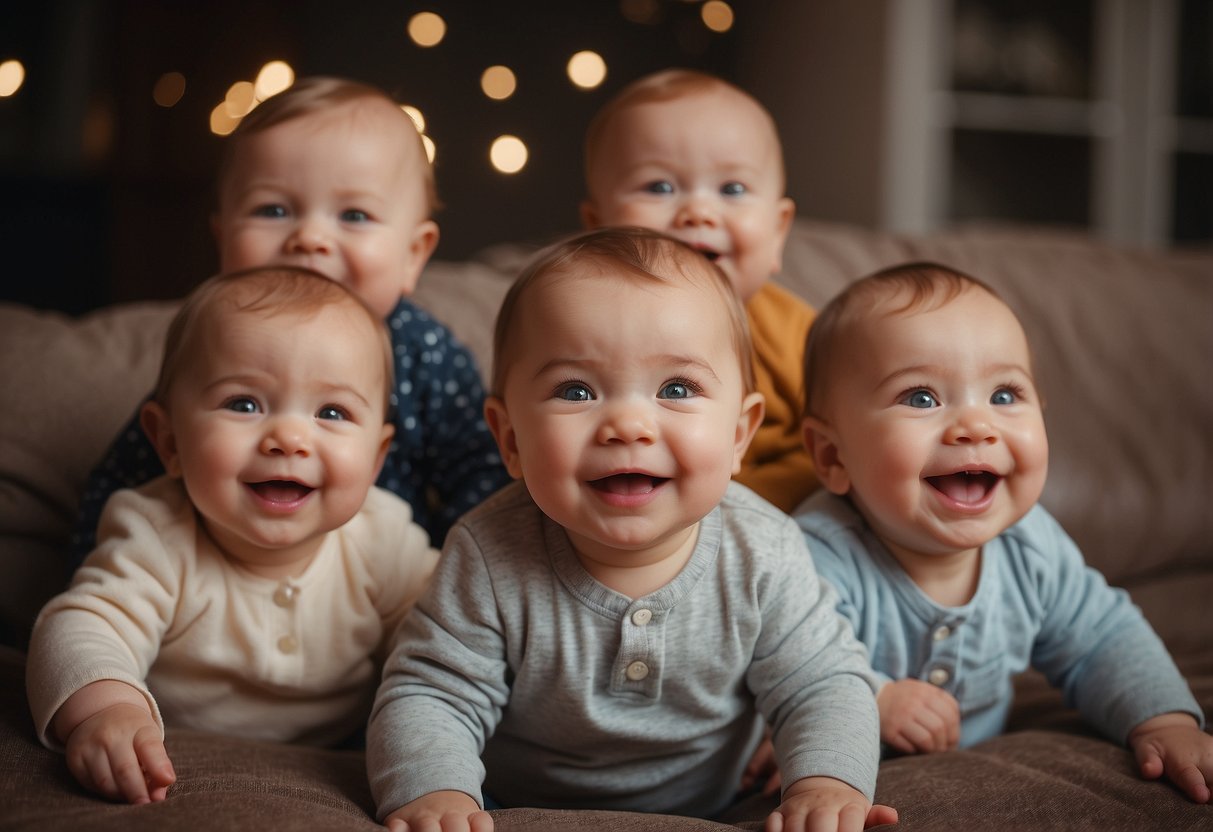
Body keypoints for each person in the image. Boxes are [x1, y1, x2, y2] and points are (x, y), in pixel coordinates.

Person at [367, 228, 896, 832]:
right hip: (520, 805)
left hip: (719, 802)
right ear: (510, 438)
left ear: (739, 435)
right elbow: (431, 693)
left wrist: (825, 783)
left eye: (676, 389)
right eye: (576, 390)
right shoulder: (487, 552)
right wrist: (435, 791)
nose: (627, 425)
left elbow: (823, 683)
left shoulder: (765, 550)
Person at [794, 261, 1212, 803]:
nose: (976, 425)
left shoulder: (1031, 545)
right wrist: (873, 698)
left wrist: (1164, 721)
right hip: (834, 775)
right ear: (832, 455)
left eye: (1004, 395)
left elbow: (1102, 639)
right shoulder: (816, 552)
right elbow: (791, 663)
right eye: (921, 397)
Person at [27, 267, 440, 805]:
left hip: (347, 752)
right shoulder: (155, 530)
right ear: (169, 441)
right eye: (244, 404)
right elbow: (81, 624)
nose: (289, 438)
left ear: (377, 458)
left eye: (331, 412)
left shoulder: (382, 538)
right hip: (177, 743)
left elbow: (452, 634)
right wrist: (108, 710)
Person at [70, 76, 508, 564]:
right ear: (223, 239)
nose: (310, 237)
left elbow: (483, 481)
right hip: (220, 581)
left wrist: (461, 593)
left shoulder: (426, 352)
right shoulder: (215, 344)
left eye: (355, 215)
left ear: (413, 254)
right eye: (273, 209)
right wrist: (97, 571)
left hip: (379, 591)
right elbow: (123, 480)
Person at [580, 68, 815, 513]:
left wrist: (737, 504)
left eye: (732, 188)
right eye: (660, 186)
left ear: (778, 232)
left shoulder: (796, 334)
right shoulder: (578, 331)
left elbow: (844, 445)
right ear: (597, 228)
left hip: (779, 528)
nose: (699, 211)